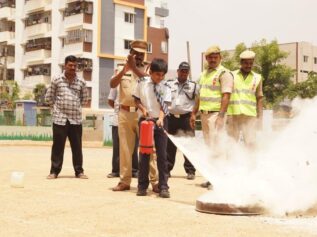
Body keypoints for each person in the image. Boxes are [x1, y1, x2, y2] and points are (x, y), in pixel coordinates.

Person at [110, 40, 158, 191]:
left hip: (143, 113)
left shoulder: (149, 68)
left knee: (149, 148)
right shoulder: (120, 67)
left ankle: (155, 181)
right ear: (130, 52)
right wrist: (125, 70)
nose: (138, 56)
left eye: (141, 54)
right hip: (124, 113)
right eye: (135, 53)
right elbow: (112, 84)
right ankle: (124, 181)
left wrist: (133, 67)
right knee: (125, 149)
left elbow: (148, 80)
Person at [192, 45, 234, 188]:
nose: (213, 60)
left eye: (215, 57)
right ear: (206, 59)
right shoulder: (203, 75)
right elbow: (199, 95)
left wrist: (221, 116)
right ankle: (211, 178)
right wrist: (194, 113)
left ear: (220, 58)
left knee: (218, 148)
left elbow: (226, 96)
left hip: (216, 115)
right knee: (210, 148)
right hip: (204, 115)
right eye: (210, 57)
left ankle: (219, 180)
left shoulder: (224, 73)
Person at [45, 55, 88, 179]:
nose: (73, 68)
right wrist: (56, 109)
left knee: (77, 147)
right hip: (59, 119)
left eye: (75, 66)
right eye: (70, 65)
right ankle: (54, 171)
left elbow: (84, 99)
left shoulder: (81, 82)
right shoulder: (57, 79)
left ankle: (79, 171)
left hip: (75, 120)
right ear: (65, 65)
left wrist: (74, 105)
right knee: (57, 147)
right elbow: (49, 97)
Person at [133, 58, 171, 198]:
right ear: (151, 72)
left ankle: (163, 187)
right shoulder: (142, 83)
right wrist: (143, 109)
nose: (159, 78)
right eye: (157, 75)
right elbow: (136, 99)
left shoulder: (166, 86)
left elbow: (164, 105)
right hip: (145, 122)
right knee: (144, 154)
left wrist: (160, 118)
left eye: (162, 75)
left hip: (160, 121)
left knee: (162, 155)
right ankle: (142, 186)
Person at [166, 62, 198, 180]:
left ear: (188, 73)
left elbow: (198, 100)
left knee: (189, 145)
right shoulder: (169, 84)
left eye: (186, 71)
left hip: (186, 118)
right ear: (178, 71)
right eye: (182, 71)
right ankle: (167, 169)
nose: (184, 73)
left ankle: (190, 170)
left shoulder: (194, 86)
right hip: (171, 117)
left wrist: (194, 114)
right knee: (169, 145)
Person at [227, 50, 263, 150]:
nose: (248, 65)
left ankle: (250, 164)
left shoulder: (257, 77)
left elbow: (260, 97)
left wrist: (260, 118)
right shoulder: (231, 75)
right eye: (246, 63)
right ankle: (230, 164)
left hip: (250, 115)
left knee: (251, 143)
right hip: (233, 114)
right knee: (231, 143)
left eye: (251, 63)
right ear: (241, 63)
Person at [107, 87, 139, 178]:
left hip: (134, 118)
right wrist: (122, 111)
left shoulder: (137, 81)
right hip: (118, 119)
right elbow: (110, 100)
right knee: (117, 147)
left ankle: (134, 170)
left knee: (133, 146)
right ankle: (116, 171)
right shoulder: (117, 81)